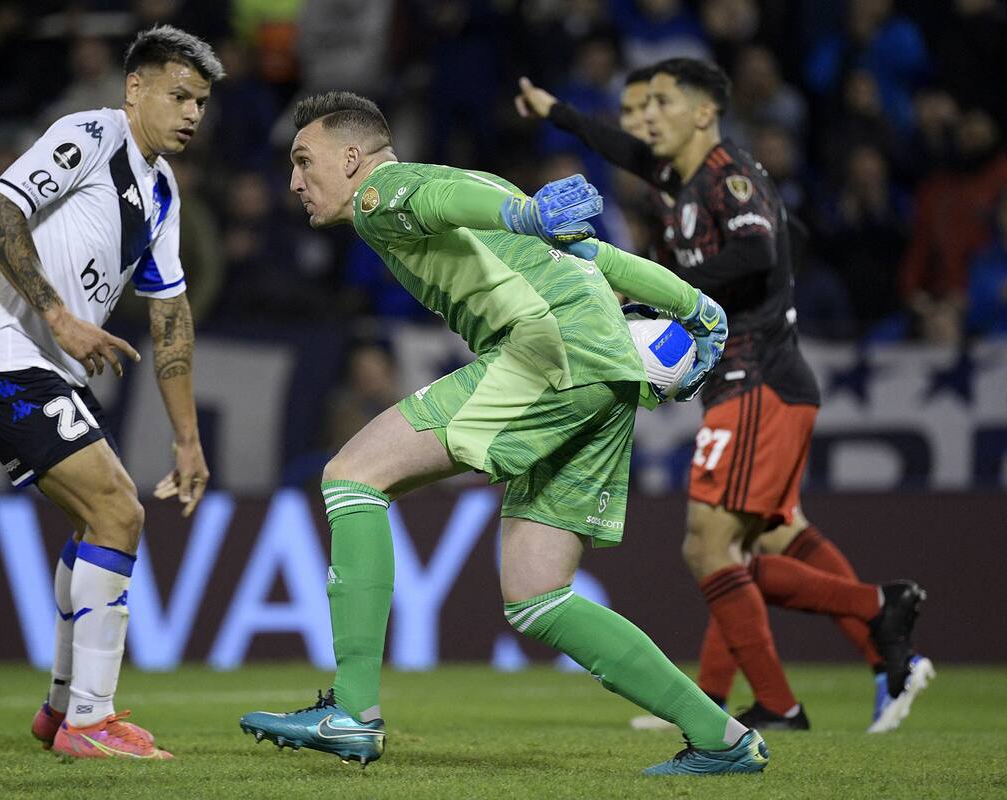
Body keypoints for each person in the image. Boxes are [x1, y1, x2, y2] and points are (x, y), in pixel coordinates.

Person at [239, 90, 770, 777]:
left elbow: (439, 203)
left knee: (352, 475)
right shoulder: (483, 184)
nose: (294, 182)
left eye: (303, 162)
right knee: (537, 593)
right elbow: (595, 257)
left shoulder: (386, 191)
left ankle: (353, 711)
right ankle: (721, 737)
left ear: (350, 157)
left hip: (549, 354)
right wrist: (694, 304)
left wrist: (522, 211)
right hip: (606, 372)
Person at [515, 58, 931, 733]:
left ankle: (871, 618)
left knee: (711, 550)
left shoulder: (726, 174)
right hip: (744, 377)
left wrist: (662, 285)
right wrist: (556, 109)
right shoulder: (674, 174)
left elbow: (762, 250)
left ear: (702, 113)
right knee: (770, 538)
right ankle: (869, 662)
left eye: (659, 105)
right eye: (640, 106)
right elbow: (618, 149)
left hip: (757, 375)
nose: (646, 119)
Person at [0, 25, 222, 760]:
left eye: (200, 101)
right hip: (6, 350)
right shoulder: (92, 133)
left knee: (95, 523)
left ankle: (62, 708)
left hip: (48, 367)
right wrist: (59, 315)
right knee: (117, 511)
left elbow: (170, 320)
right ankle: (89, 723)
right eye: (178, 94)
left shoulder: (162, 192)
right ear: (135, 89)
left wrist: (188, 438)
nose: (192, 112)